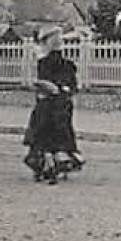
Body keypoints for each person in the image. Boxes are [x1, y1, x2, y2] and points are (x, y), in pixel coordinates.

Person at [23, 31, 82, 183]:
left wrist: (49, 89)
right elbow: (72, 87)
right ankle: (60, 160)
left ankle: (46, 164)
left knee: (43, 135)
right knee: (60, 134)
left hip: (48, 104)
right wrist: (64, 90)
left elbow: (43, 85)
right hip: (62, 105)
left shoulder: (44, 64)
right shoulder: (68, 65)